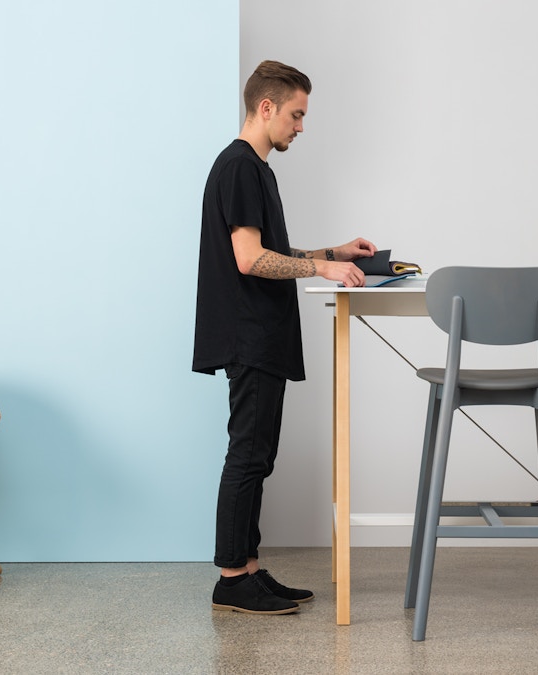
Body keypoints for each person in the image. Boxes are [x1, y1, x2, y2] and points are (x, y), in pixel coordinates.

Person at [193, 60, 377, 614]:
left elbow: (273, 251)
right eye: (296, 115)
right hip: (249, 334)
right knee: (247, 455)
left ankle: (248, 569)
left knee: (258, 456)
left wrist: (332, 253)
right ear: (266, 107)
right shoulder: (240, 167)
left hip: (262, 335)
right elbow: (250, 260)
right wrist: (321, 272)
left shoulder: (255, 169)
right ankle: (231, 580)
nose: (301, 126)